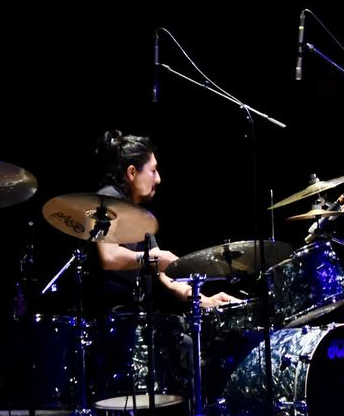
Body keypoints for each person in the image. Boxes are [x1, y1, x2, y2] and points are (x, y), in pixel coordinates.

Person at [91, 131, 240, 402]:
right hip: (110, 320)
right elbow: (108, 256)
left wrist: (203, 300)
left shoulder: (141, 218)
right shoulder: (106, 200)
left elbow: (164, 277)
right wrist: (150, 259)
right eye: (154, 170)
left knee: (195, 347)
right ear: (132, 172)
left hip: (137, 317)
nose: (158, 179)